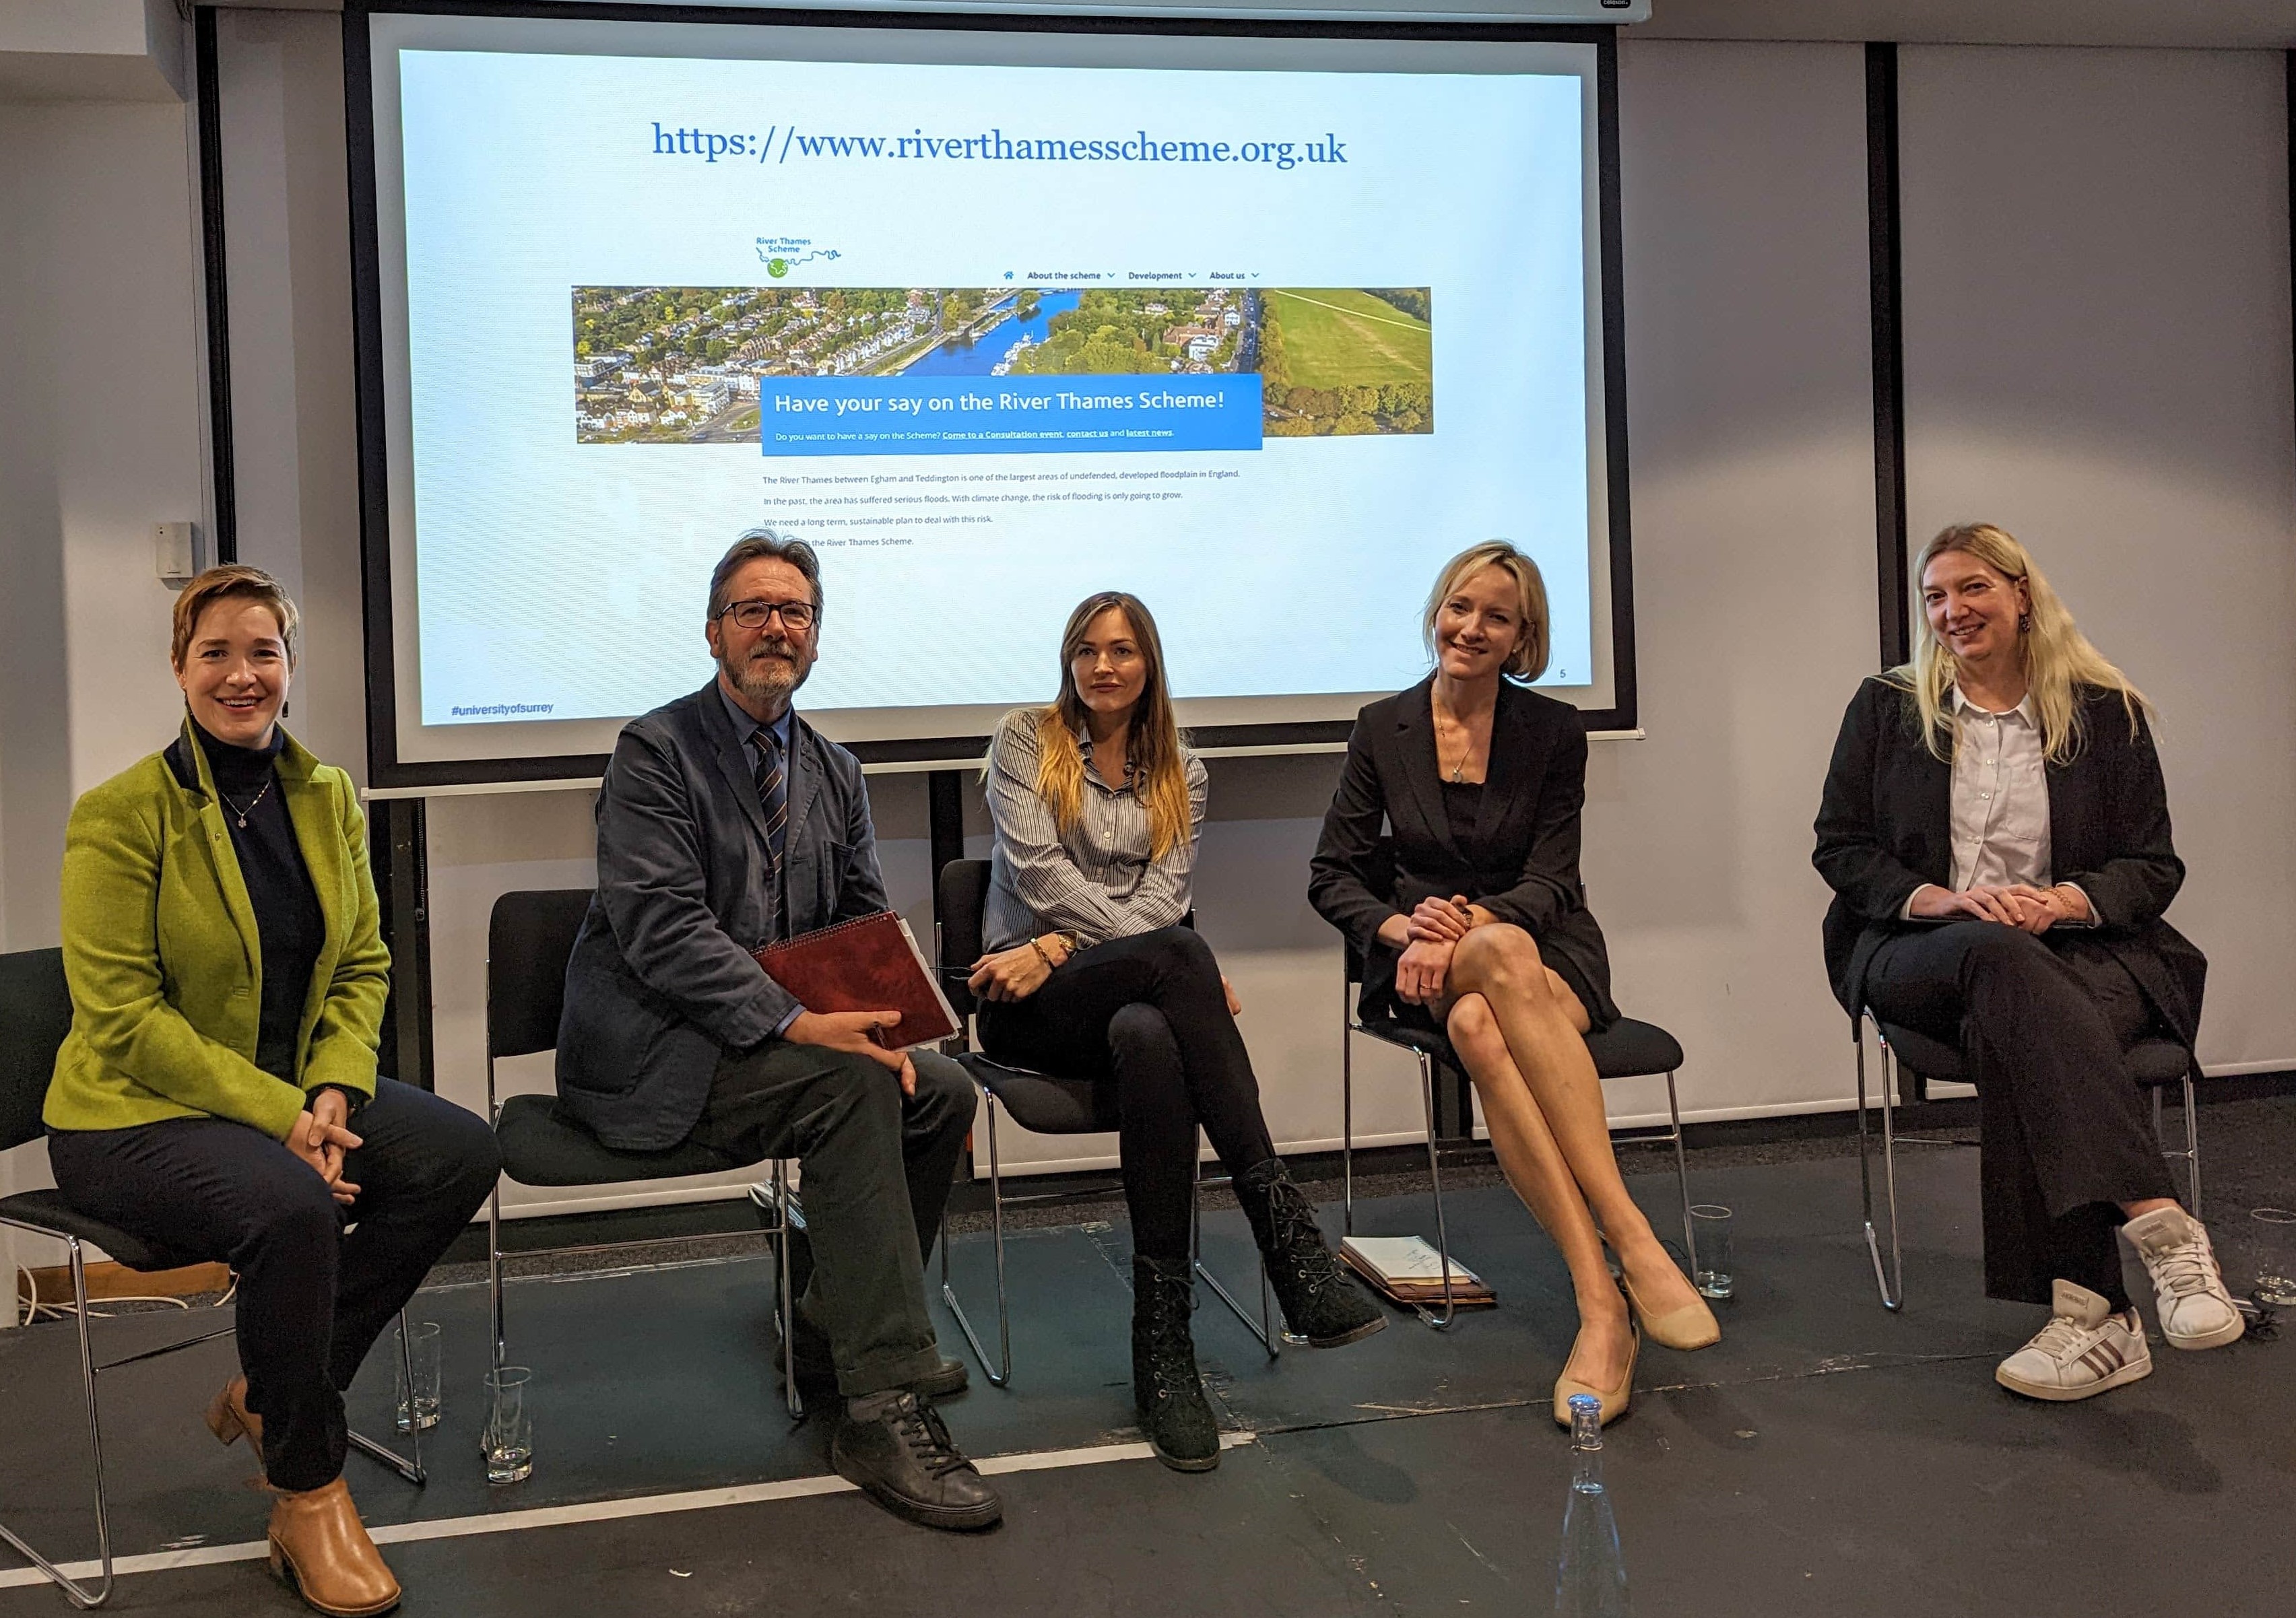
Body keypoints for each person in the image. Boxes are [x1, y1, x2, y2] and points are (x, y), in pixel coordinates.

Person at [42, 566, 500, 1618]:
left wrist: (334, 1092)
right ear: (178, 667)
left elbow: (362, 964)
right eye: (216, 653)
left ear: (290, 668)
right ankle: (307, 1491)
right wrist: (284, 1119)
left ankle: (274, 1387)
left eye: (263, 652)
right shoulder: (119, 814)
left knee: (457, 1153)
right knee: (292, 1208)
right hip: (127, 1115)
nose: (241, 674)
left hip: (291, 1096)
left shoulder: (327, 793)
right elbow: (122, 1016)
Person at [556, 529, 997, 1530]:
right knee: (850, 1088)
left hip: (763, 1051)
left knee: (945, 1090)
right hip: (652, 1058)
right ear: (714, 632)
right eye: (753, 609)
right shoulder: (653, 752)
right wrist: (803, 1023)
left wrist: (892, 1023)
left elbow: (858, 924)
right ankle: (879, 1403)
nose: (774, 626)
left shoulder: (835, 770)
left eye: (793, 611)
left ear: (814, 638)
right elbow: (661, 930)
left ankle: (828, 1328)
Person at [1814, 522, 2242, 1401]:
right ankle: (2161, 1230)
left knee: (2013, 1015)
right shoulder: (1887, 708)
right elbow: (1840, 849)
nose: (1950, 611)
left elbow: (2149, 867)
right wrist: (1944, 901)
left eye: (1970, 588)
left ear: (2019, 594)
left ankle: (2093, 1315)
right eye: (1934, 596)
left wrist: (2059, 902)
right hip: (1919, 948)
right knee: (1993, 960)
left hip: (2080, 954)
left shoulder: (2102, 712)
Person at [971, 591, 1385, 1473]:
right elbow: (1042, 877)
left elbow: (1166, 900)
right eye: (1084, 650)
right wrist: (1067, 944)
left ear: (1148, 663)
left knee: (1153, 1036)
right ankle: (1286, 1241)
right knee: (1179, 958)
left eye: (1120, 650)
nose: (1101, 666)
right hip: (1026, 1000)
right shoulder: (1023, 740)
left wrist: (1129, 953)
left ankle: (1164, 1355)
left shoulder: (1181, 772)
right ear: (1067, 661)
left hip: (1118, 1002)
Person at [1309, 542, 1719, 1429]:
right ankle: (1633, 1247)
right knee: (1486, 971)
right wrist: (1403, 930)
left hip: (1544, 950)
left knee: (1481, 1025)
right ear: (1435, 612)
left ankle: (1601, 1305)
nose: (1472, 628)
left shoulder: (1550, 733)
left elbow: (1551, 880)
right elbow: (1332, 876)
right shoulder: (1382, 726)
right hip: (1422, 952)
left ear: (1521, 635)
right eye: (1460, 607)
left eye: (1496, 616)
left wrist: (1475, 925)